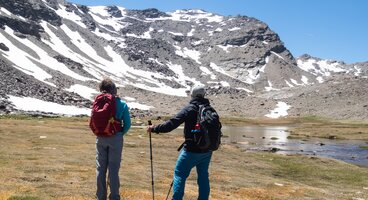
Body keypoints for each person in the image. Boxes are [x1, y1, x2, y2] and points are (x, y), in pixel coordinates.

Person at [147, 86, 213, 200]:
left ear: (192, 94)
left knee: (179, 174)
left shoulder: (190, 108)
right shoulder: (209, 109)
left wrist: (154, 128)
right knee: (203, 176)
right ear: (203, 95)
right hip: (207, 150)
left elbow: (171, 124)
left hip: (191, 151)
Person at [95, 78, 131, 200]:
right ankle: (114, 196)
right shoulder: (122, 104)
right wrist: (120, 133)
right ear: (113, 89)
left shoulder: (98, 103)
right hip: (115, 138)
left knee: (101, 168)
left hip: (100, 137)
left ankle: (100, 197)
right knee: (113, 169)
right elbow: (127, 124)